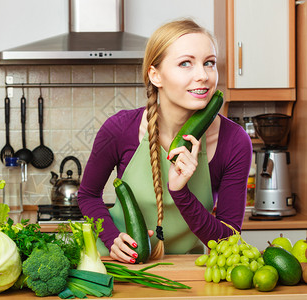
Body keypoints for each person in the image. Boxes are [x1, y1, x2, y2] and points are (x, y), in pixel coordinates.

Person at [77, 18, 253, 264]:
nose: (203, 75)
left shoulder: (234, 141)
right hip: (118, 267)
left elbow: (228, 240)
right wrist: (112, 238)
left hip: (185, 274)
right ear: (155, 75)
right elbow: (87, 195)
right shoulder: (119, 129)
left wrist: (180, 192)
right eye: (185, 63)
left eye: (209, 63)